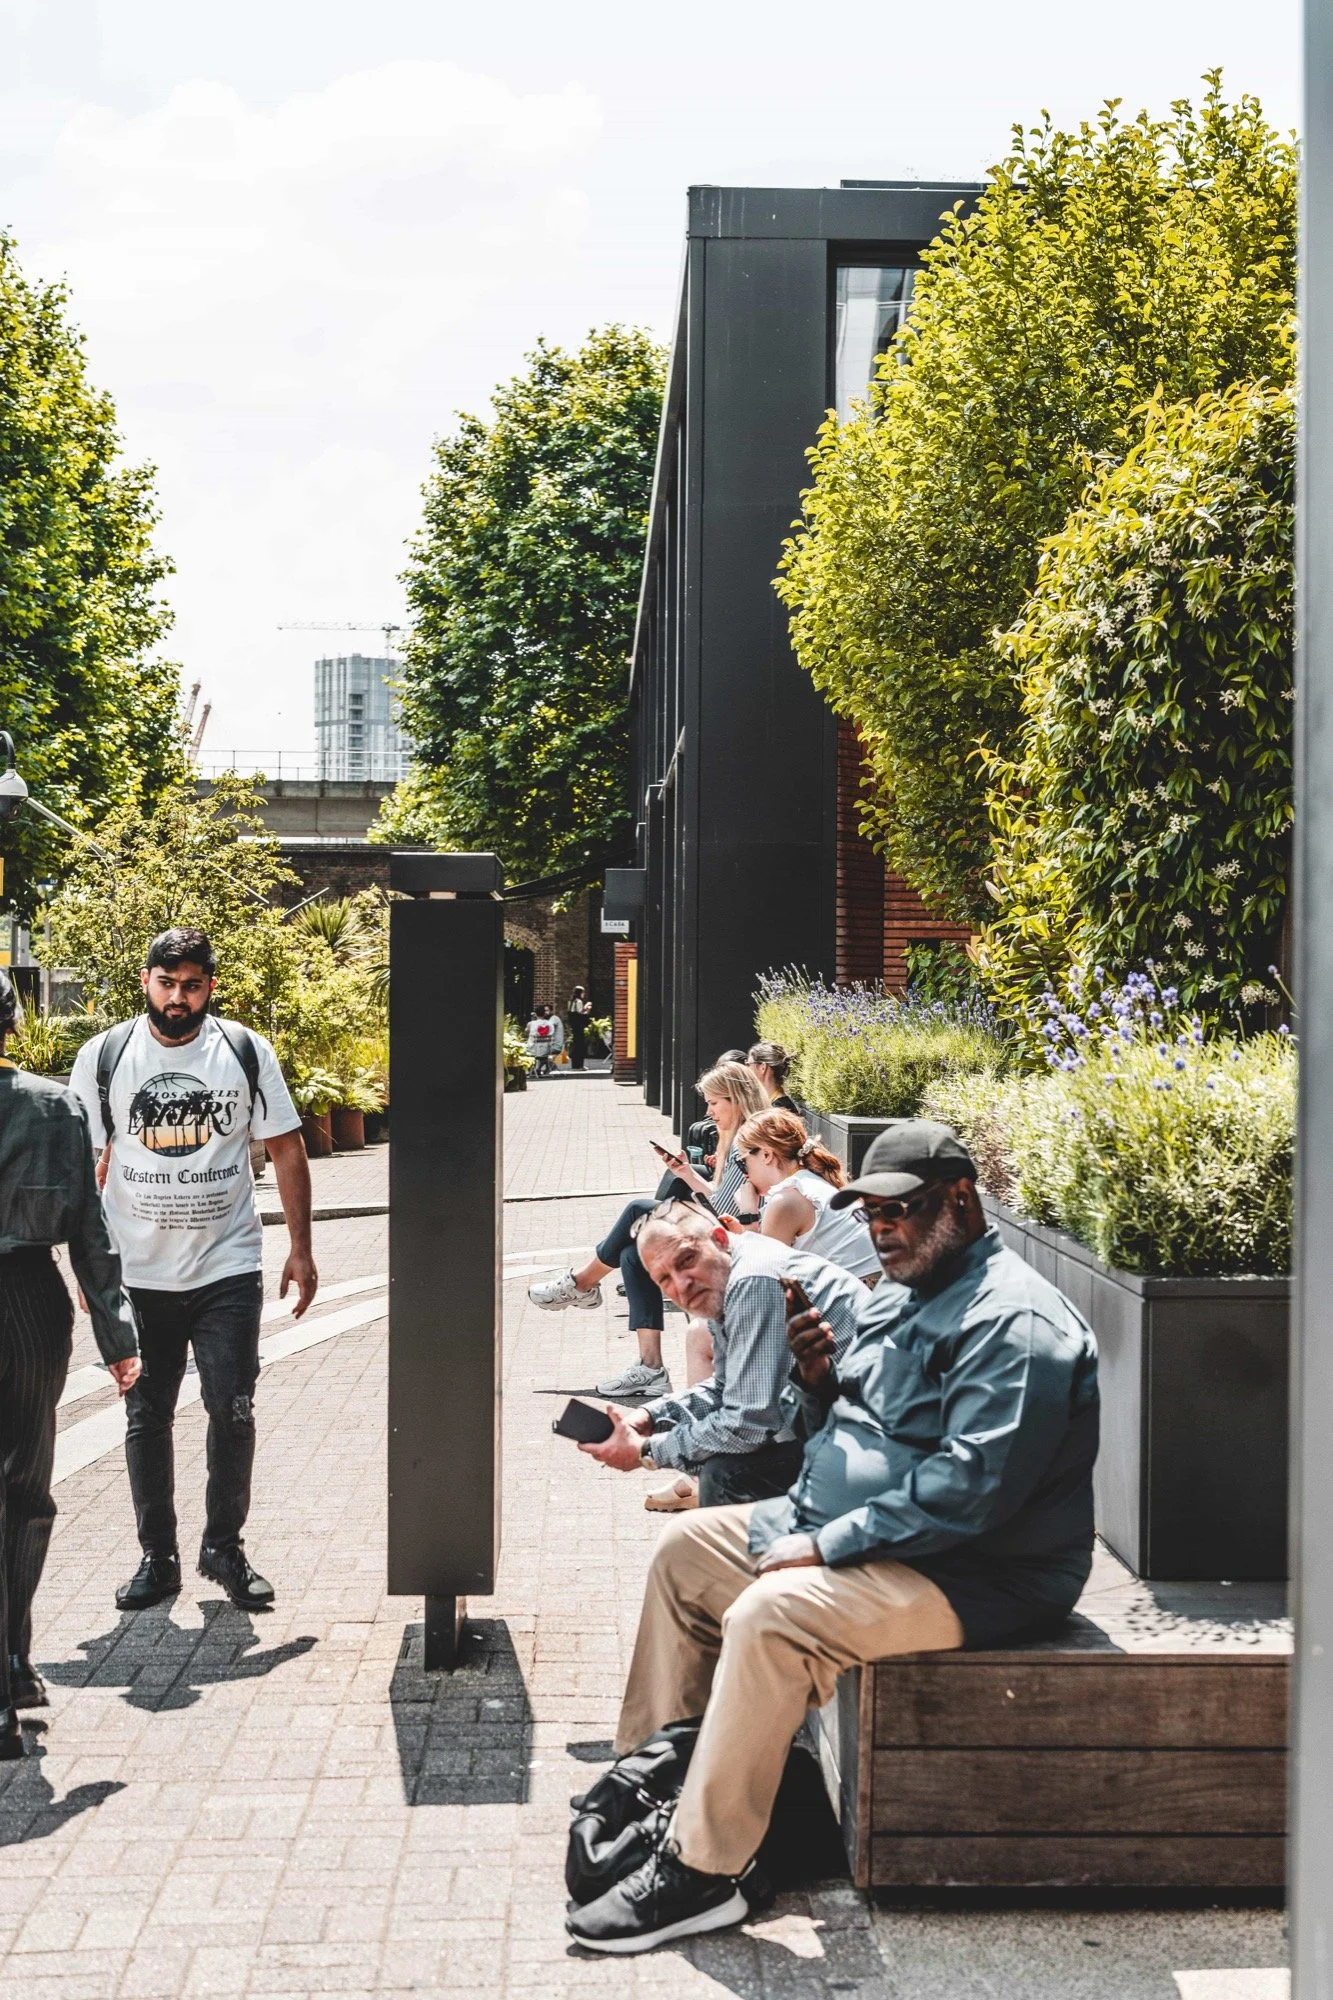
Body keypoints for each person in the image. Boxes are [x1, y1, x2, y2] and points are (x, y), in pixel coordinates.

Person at [567, 1119, 1100, 1954]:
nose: (881, 1230)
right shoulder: (902, 1293)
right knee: (687, 1551)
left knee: (771, 1614)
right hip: (874, 1531)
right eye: (870, 1213)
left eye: (901, 1211)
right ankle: (657, 1780)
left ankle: (704, 1869)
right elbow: (858, 1424)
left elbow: (974, 1486)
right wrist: (819, 1385)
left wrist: (829, 1542)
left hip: (976, 1570)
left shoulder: (1012, 1320)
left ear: (961, 1200)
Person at [70, 927, 316, 1614]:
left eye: (192, 985)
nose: (177, 998)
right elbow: (83, 1168)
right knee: (146, 1416)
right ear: (145, 982)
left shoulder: (242, 1050)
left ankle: (223, 1547)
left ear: (210, 986)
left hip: (226, 1268)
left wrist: (300, 1247)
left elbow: (287, 1149)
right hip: (137, 1275)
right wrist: (92, 1270)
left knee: (232, 1409)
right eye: (166, 983)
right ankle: (159, 1556)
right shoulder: (104, 1057)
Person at [0, 969, 141, 1760]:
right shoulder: (56, 1107)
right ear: (14, 1026)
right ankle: (14, 1662)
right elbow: (90, 1229)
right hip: (29, 1301)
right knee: (24, 1489)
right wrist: (118, 1340)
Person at [576, 1202, 866, 1511]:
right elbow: (725, 1388)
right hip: (836, 1423)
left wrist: (648, 1451)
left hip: (869, 1442)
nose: (682, 1285)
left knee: (726, 1474)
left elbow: (749, 1424)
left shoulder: (753, 1281)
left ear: (720, 1238)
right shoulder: (727, 1275)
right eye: (665, 1280)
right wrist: (650, 1417)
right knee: (720, 1459)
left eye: (687, 1260)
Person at [527, 1063, 769, 1400]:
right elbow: (722, 1199)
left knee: (639, 1209)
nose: (709, 1112)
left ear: (737, 1098)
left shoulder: (751, 1140)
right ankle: (650, 1367)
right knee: (632, 1255)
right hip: (725, 1234)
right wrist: (686, 1173)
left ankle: (581, 1283)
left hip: (736, 1242)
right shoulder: (735, 1138)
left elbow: (737, 1208)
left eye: (714, 1103)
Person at [735, 1109, 879, 1282]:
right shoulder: (808, 1182)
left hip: (863, 1294)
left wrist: (748, 1216)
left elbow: (760, 1278)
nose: (744, 1174)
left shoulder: (787, 1200)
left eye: (742, 1162)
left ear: (766, 1155)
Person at [747, 1041, 799, 1114]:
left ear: (763, 1067)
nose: (747, 1069)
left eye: (749, 1064)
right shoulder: (776, 1105)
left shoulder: (779, 1110)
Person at [525, 1003, 565, 1078]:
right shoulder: (550, 1024)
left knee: (525, 1049)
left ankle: (532, 1070)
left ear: (535, 1014)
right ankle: (538, 1069)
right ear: (544, 1014)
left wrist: (533, 1020)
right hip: (547, 1050)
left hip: (533, 1050)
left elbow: (527, 1032)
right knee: (541, 1050)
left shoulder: (531, 1024)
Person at [567, 986, 591, 1072]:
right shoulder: (579, 1001)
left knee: (575, 1044)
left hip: (573, 1026)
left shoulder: (570, 1001)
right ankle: (580, 1065)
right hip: (579, 1026)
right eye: (583, 992)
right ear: (580, 993)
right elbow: (580, 1012)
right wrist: (587, 1008)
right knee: (580, 1045)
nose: (584, 994)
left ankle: (574, 1065)